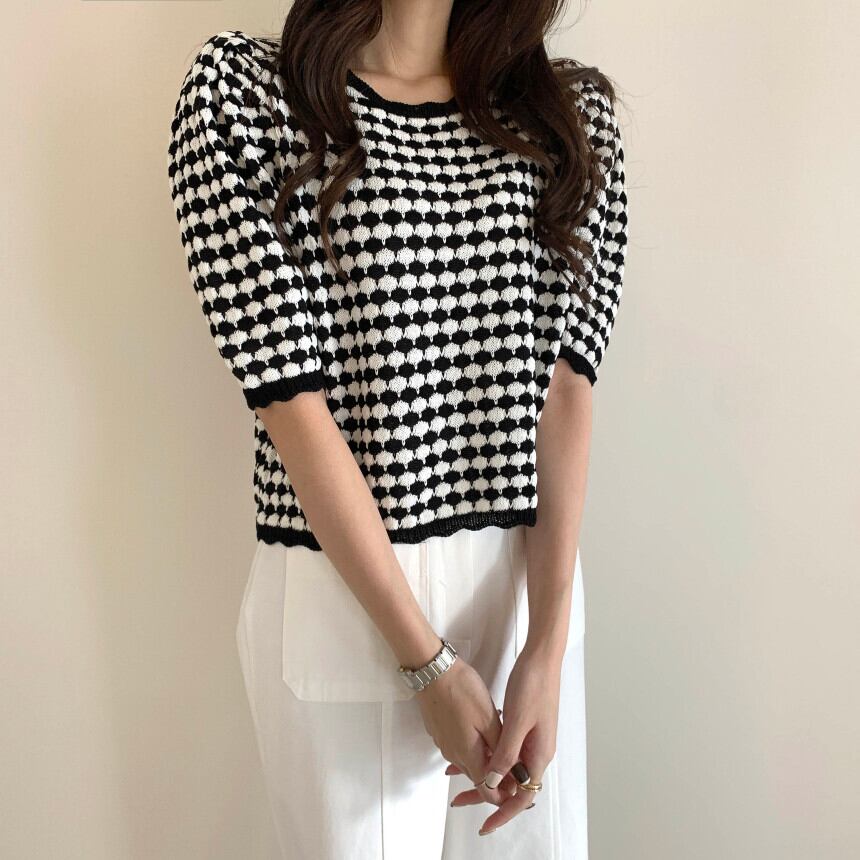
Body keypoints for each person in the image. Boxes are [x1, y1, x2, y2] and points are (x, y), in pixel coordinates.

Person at [166, 1, 628, 857]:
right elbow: (287, 395)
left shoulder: (565, 115)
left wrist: (547, 645)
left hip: (526, 588)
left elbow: (569, 383)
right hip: (349, 593)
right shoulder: (245, 96)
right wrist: (426, 663)